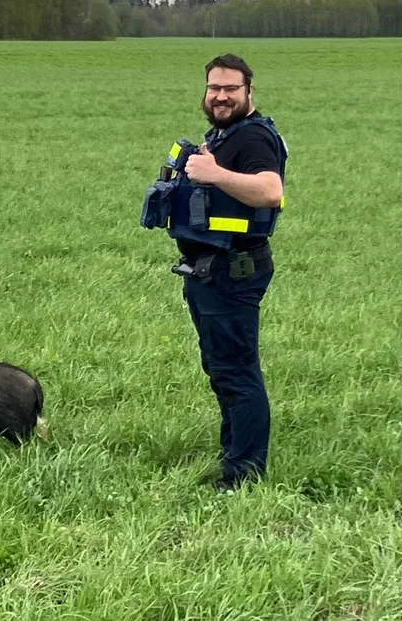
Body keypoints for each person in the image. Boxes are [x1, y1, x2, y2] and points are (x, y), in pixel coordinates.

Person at [141, 53, 289, 492]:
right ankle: (235, 454)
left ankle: (243, 476)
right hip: (208, 272)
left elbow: (270, 191)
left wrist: (215, 172)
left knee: (238, 372)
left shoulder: (254, 138)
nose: (221, 96)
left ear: (249, 92)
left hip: (233, 273)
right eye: (214, 88)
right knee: (223, 369)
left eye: (230, 89)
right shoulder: (222, 135)